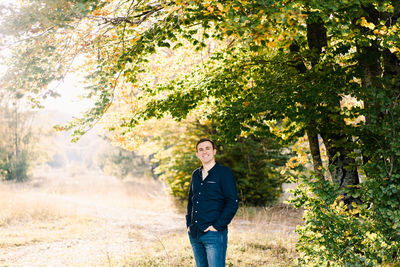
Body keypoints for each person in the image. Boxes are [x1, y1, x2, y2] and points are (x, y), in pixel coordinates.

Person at [186, 138, 239, 267]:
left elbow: (233, 202)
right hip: (194, 234)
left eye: (207, 148)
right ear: (197, 154)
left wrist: (217, 226)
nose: (204, 152)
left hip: (213, 234)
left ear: (214, 151)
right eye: (201, 149)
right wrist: (188, 223)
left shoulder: (224, 173)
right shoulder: (195, 175)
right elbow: (190, 201)